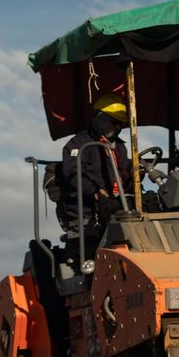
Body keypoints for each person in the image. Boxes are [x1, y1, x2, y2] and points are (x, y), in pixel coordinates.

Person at [59, 94, 131, 258]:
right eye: (114, 122)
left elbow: (123, 177)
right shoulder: (78, 144)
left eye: (121, 124)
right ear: (100, 119)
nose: (118, 127)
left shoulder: (119, 147)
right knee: (112, 210)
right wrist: (96, 191)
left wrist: (135, 173)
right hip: (89, 207)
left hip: (118, 203)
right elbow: (72, 174)